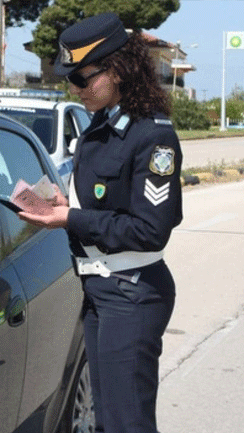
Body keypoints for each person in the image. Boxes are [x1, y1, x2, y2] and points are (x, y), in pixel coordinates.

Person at [18, 13, 182, 433]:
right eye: (70, 81)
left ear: (119, 69)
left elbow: (149, 229)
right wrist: (63, 202)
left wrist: (70, 218)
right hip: (100, 289)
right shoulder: (100, 127)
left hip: (132, 292)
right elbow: (103, 202)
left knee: (128, 424)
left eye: (84, 79)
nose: (76, 89)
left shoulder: (152, 136)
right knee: (109, 421)